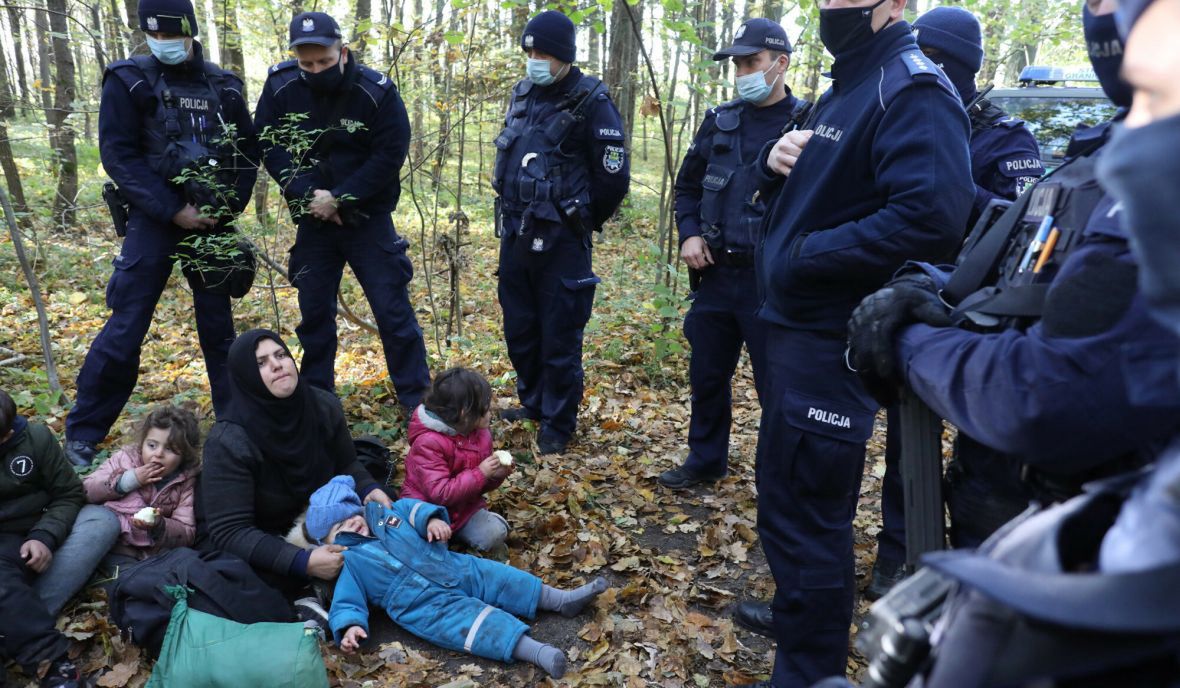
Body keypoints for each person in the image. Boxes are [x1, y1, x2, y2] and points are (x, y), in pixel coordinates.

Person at [848, 0, 1180, 567]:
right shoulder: (1096, 159)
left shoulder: (1027, 144)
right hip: (1003, 502)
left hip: (1094, 547)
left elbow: (1052, 394)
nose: (1103, 13)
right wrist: (928, 288)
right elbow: (1020, 263)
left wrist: (912, 341)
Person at [749, 0, 974, 684]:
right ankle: (800, 644)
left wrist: (804, 255)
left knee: (810, 522)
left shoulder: (911, 87)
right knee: (786, 508)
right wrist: (771, 164)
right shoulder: (846, 86)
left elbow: (931, 216)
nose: (829, 7)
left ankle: (809, 672)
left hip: (829, 341)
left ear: (895, 3)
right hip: (791, 331)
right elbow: (825, 193)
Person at [868, 4, 1047, 601]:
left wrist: (944, 182)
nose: (926, 66)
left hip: (970, 310)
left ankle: (928, 563)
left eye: (939, 58)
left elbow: (1020, 225)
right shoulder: (901, 112)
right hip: (899, 294)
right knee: (888, 438)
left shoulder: (1006, 136)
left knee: (944, 453)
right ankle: (889, 552)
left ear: (964, 66)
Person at [63, 0, 257, 467]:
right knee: (126, 325)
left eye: (173, 34)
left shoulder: (224, 85)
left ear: (190, 31)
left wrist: (224, 207)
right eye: (157, 35)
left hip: (213, 220)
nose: (165, 43)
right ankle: (84, 434)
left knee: (220, 330)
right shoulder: (128, 79)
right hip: (154, 219)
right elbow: (119, 155)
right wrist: (172, 210)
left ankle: (235, 430)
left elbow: (246, 153)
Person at [657, 18, 808, 493]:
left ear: (780, 63)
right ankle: (706, 460)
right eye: (737, 64)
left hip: (772, 282)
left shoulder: (808, 124)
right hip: (717, 275)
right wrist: (689, 235)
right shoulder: (720, 121)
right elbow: (687, 187)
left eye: (751, 62)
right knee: (707, 375)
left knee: (776, 386)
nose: (742, 72)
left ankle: (778, 477)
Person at [254, 11, 430, 411]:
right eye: (307, 64)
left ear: (343, 52)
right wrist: (308, 196)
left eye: (325, 61)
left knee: (393, 313)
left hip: (368, 221)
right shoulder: (281, 86)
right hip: (313, 222)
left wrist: (341, 197)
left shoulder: (376, 92)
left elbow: (389, 154)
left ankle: (418, 403)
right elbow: (269, 143)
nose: (316, 71)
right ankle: (318, 404)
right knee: (314, 315)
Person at [307, 475, 608, 679]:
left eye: (351, 516)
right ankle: (537, 652)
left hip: (450, 565)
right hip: (421, 605)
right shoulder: (350, 563)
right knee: (475, 625)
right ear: (327, 543)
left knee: (500, 577)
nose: (350, 525)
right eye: (339, 528)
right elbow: (347, 600)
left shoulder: (389, 514)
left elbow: (415, 510)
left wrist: (431, 521)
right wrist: (350, 626)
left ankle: (562, 600)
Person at [493, 10, 631, 455]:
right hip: (516, 232)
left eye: (544, 53)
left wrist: (580, 219)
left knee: (559, 335)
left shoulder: (592, 101)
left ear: (565, 55)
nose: (535, 60)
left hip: (562, 241)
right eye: (530, 52)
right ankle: (533, 402)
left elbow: (613, 177)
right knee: (520, 328)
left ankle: (558, 421)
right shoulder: (523, 94)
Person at [195, 328, 394, 623]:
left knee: (389, 510)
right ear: (246, 377)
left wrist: (368, 488)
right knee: (239, 577)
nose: (277, 365)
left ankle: (337, 588)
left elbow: (347, 463)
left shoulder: (321, 405)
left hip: (322, 515)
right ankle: (313, 594)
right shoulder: (229, 441)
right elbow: (231, 531)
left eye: (281, 355)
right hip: (264, 534)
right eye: (261, 363)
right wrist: (303, 561)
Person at [0, 389, 87, 687]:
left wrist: (44, 536)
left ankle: (51, 663)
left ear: (7, 434)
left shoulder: (36, 440)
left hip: (19, 535)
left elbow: (70, 493)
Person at [399, 368, 514, 555]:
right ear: (464, 413)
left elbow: (478, 485)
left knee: (495, 533)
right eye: (484, 408)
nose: (490, 411)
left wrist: (494, 475)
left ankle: (465, 534)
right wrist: (481, 473)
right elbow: (440, 493)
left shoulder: (480, 434)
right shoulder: (428, 442)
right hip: (428, 508)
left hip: (463, 508)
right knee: (429, 550)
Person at [82, 404, 202, 574]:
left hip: (147, 554)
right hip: (113, 543)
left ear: (185, 455)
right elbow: (87, 489)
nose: (158, 454)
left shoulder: (184, 481)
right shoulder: (125, 459)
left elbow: (186, 532)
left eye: (169, 449)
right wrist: (127, 480)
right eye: (152, 445)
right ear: (142, 442)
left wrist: (160, 525)